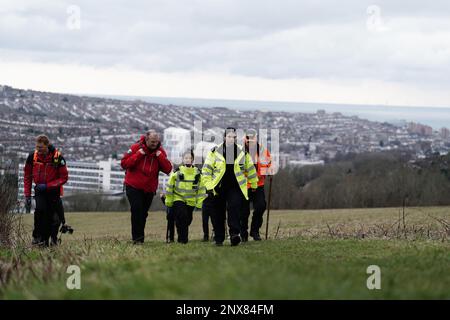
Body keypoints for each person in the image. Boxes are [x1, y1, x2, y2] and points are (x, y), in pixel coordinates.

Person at [201, 127, 258, 246]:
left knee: (234, 210)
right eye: (229, 136)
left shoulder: (242, 152)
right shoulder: (215, 152)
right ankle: (219, 238)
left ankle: (234, 235)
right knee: (218, 213)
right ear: (224, 137)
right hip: (218, 187)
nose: (232, 139)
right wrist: (209, 186)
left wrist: (253, 184)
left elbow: (251, 169)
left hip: (236, 187)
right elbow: (206, 171)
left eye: (234, 137)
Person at [121, 130, 172, 244]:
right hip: (133, 186)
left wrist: (160, 157)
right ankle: (137, 239)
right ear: (146, 139)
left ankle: (140, 238)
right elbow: (124, 163)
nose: (154, 144)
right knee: (137, 211)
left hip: (149, 189)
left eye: (156, 142)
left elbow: (168, 169)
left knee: (143, 213)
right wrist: (139, 154)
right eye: (152, 142)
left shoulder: (160, 151)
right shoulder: (135, 148)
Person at [23, 134, 69, 246]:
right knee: (40, 213)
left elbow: (64, 177)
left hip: (53, 191)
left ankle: (52, 239)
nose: (38, 150)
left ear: (47, 146)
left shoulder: (57, 158)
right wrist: (27, 195)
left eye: (41, 148)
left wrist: (48, 186)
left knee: (55, 218)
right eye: (37, 147)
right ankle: (39, 238)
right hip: (39, 190)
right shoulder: (32, 157)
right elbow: (27, 176)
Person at [240, 129, 272, 241]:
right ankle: (243, 233)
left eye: (252, 138)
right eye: (248, 138)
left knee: (261, 206)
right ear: (245, 139)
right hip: (244, 185)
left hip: (258, 185)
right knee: (243, 211)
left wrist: (267, 172)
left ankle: (255, 230)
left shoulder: (262, 150)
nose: (250, 140)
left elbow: (268, 163)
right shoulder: (240, 151)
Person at [165, 150, 203, 244]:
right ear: (183, 159)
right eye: (186, 158)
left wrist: (199, 202)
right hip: (178, 199)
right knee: (183, 217)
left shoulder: (197, 173)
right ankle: (183, 240)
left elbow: (201, 189)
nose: (188, 160)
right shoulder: (177, 172)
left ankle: (180, 235)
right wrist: (169, 200)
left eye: (190, 158)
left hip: (191, 201)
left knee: (187, 220)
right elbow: (170, 186)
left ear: (193, 160)